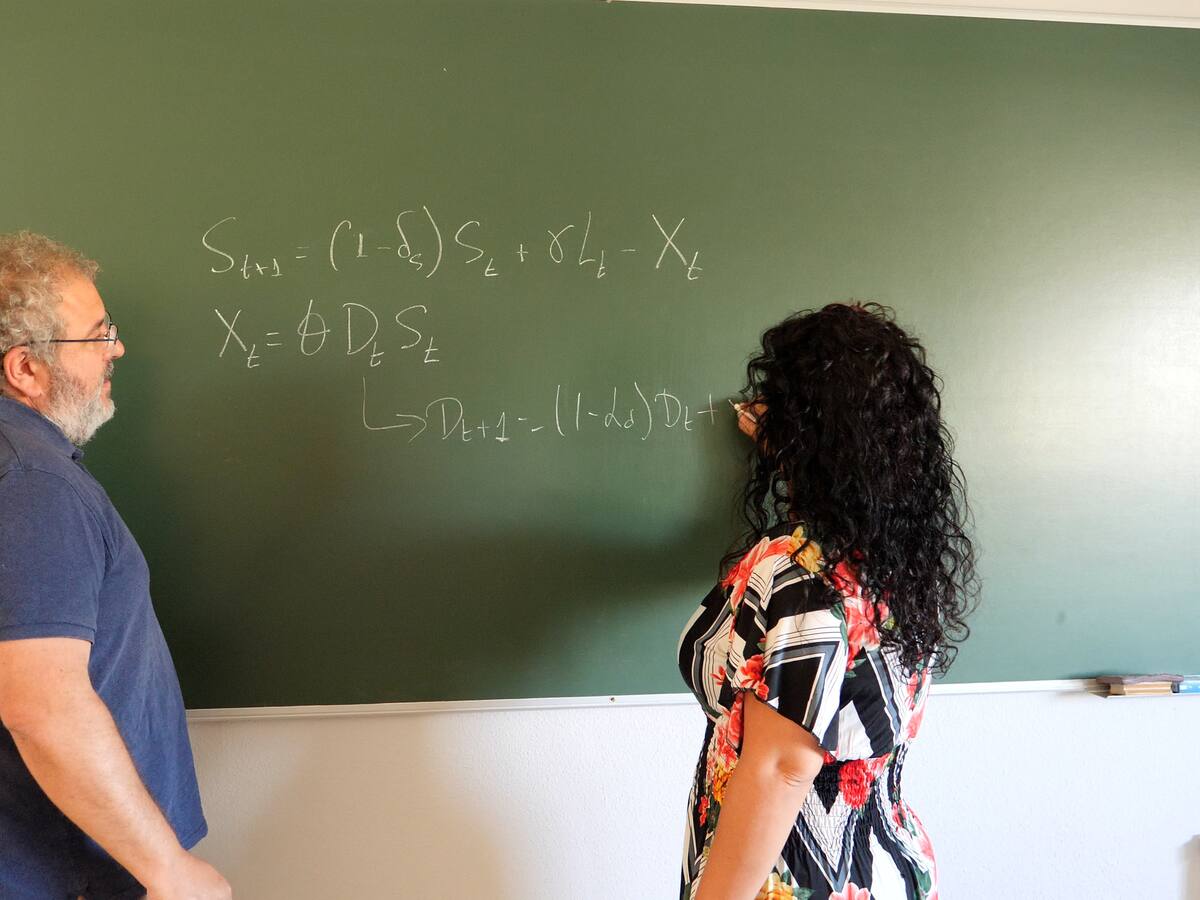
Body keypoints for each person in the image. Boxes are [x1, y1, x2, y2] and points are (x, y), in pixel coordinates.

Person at [679, 303, 978, 900]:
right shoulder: (899, 555)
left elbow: (782, 769)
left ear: (805, 432)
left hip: (791, 878)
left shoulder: (798, 574)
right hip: (877, 864)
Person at [0, 232, 231, 899]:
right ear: (26, 369)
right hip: (65, 873)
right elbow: (43, 707)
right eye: (97, 334)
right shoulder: (32, 482)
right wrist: (168, 870)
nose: (116, 349)